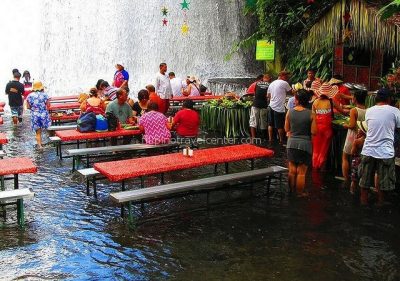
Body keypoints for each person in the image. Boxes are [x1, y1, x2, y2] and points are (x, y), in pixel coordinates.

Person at [358, 88, 400, 206]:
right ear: (389, 98)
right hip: (385, 152)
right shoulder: (395, 111)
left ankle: (363, 201)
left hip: (368, 149)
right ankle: (380, 203)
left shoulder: (369, 110)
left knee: (364, 180)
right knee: (384, 182)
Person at [285, 89, 317, 196]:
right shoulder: (311, 114)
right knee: (301, 173)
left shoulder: (290, 111)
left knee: (292, 170)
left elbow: (286, 129)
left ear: (298, 100)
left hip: (291, 143)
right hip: (305, 144)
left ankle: (290, 191)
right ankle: (299, 193)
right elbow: (314, 132)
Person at [341, 90, 367, 181]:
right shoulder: (367, 109)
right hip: (362, 136)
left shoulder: (354, 110)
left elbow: (351, 125)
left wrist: (345, 125)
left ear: (355, 98)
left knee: (345, 157)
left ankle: (346, 179)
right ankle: (356, 178)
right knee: (357, 157)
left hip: (352, 136)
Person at [311, 82, 337, 169]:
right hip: (327, 129)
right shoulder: (330, 101)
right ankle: (322, 169)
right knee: (324, 149)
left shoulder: (315, 102)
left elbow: (313, 117)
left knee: (316, 148)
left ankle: (315, 167)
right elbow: (341, 110)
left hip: (317, 128)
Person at [267, 71, 292, 143]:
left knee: (270, 124)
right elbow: (291, 92)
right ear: (282, 76)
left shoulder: (272, 83)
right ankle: (281, 140)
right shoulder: (284, 83)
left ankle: (270, 139)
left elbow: (268, 95)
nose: (287, 78)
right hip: (279, 107)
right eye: (286, 77)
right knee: (280, 125)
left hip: (271, 106)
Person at [26, 81, 51, 149]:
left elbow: (28, 107)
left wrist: (34, 108)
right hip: (43, 114)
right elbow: (48, 105)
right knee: (48, 129)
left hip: (35, 115)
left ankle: (40, 146)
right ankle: (52, 142)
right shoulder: (45, 95)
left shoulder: (29, 96)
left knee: (38, 132)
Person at [249, 74, 270, 142]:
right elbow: (268, 96)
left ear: (263, 78)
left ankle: (253, 137)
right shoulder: (269, 85)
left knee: (253, 121)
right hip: (264, 105)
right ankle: (264, 137)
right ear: (269, 78)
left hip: (255, 104)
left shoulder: (257, 83)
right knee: (263, 121)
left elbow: (255, 93)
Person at [350, 120, 367, 194]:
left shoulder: (357, 141)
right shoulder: (367, 141)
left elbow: (352, 152)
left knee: (354, 179)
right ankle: (362, 193)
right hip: (364, 161)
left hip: (356, 161)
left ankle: (352, 191)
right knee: (363, 179)